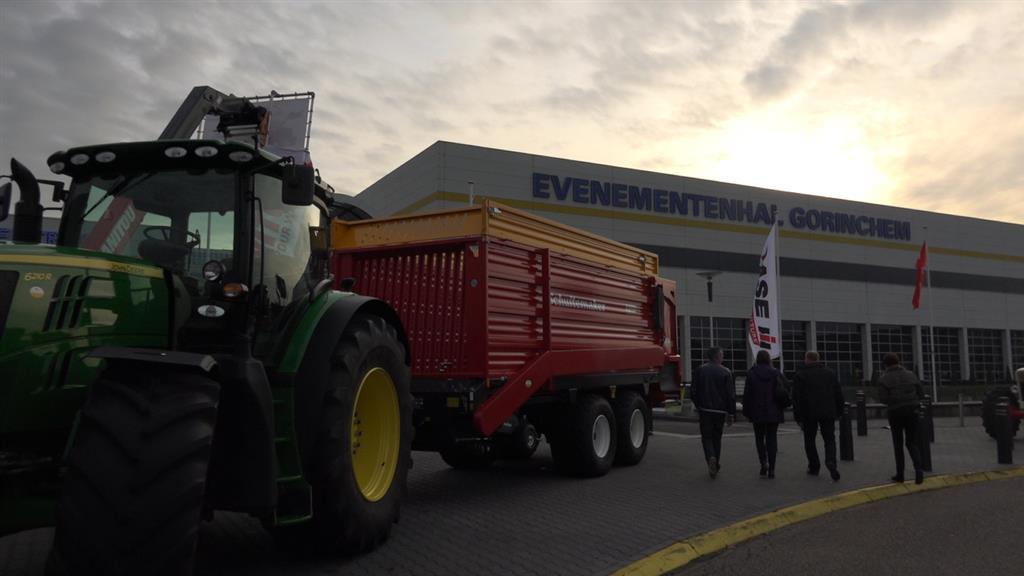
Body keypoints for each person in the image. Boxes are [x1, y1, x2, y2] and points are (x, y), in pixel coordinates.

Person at [792, 351, 844, 481]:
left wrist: (798, 417)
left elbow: (796, 398)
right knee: (829, 439)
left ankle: (814, 466)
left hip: (808, 413)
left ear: (807, 359)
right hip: (828, 411)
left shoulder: (800, 375)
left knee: (809, 440)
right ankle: (831, 461)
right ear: (818, 359)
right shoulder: (830, 373)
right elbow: (838, 393)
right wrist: (839, 411)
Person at [877, 352, 925, 484]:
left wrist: (895, 400)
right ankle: (919, 470)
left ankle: (900, 474)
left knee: (898, 444)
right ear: (899, 362)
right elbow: (921, 393)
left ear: (885, 365)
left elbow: (883, 399)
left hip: (895, 413)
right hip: (912, 411)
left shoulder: (883, 379)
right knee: (912, 442)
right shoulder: (911, 375)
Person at [690, 347, 736, 478]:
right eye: (722, 355)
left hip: (705, 410)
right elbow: (730, 395)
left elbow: (693, 391)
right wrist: (731, 413)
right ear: (717, 357)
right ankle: (716, 461)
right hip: (720, 411)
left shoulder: (700, 370)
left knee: (706, 437)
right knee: (717, 437)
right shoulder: (726, 372)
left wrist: (698, 405)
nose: (723, 358)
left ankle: (710, 457)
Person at [742, 350, 786, 479]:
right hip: (774, 411)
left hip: (757, 411)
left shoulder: (752, 374)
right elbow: (785, 389)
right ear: (768, 359)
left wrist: (746, 411)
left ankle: (763, 462)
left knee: (759, 438)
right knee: (772, 439)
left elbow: (747, 394)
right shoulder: (776, 373)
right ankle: (772, 468)